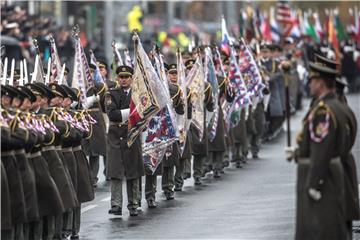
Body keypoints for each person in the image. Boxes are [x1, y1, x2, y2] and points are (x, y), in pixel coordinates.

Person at [285, 60, 353, 240]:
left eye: (312, 81)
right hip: (333, 173)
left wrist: (314, 184)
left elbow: (322, 150)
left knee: (322, 229)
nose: (309, 84)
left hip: (325, 179)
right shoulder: (336, 106)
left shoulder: (324, 112)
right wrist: (299, 152)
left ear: (321, 83)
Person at [105, 65, 145, 217]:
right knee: (116, 171)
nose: (123, 80)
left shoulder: (138, 94)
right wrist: (135, 111)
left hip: (131, 134)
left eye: (126, 77)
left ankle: (134, 203)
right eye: (121, 77)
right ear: (117, 78)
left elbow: (145, 113)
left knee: (133, 171)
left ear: (132, 78)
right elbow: (113, 115)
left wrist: (138, 110)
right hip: (115, 135)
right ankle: (116, 204)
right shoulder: (111, 94)